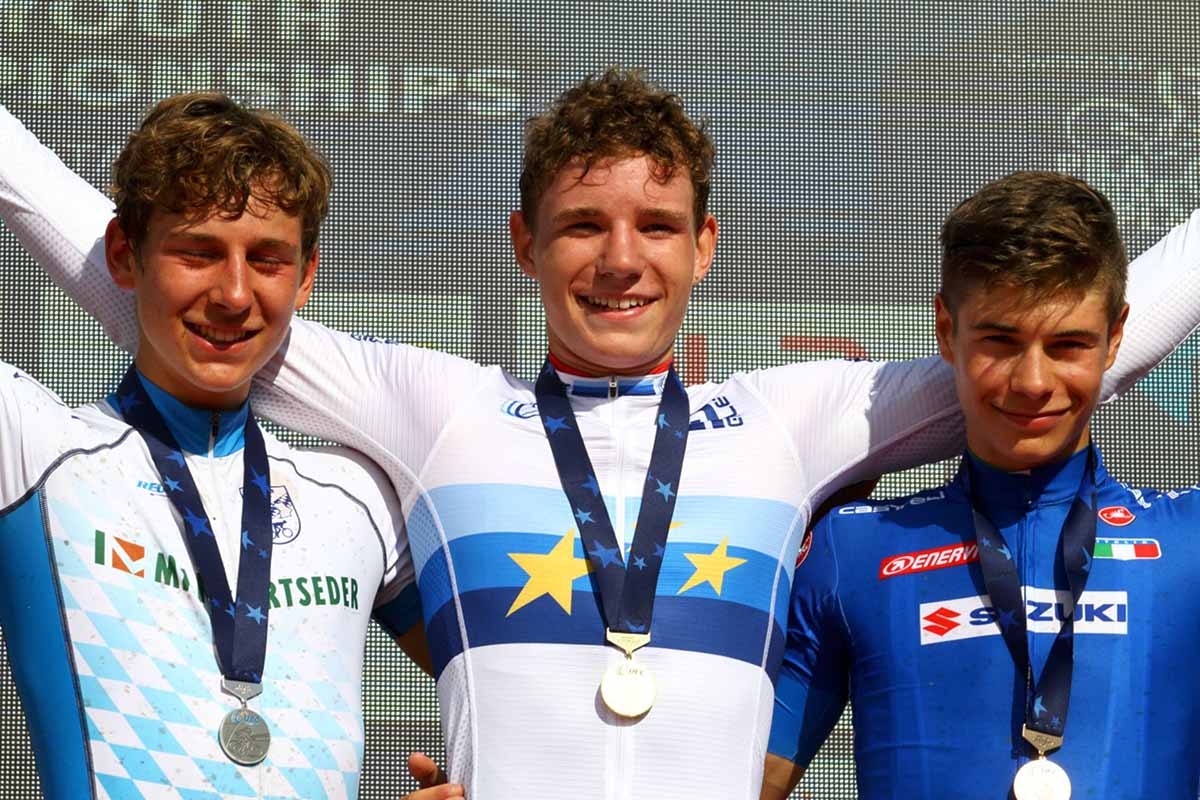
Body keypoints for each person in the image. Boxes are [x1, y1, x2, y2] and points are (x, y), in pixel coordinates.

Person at [3, 70, 1199, 797]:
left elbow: (1067, 347)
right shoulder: (436, 409)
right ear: (523, 243)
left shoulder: (792, 421)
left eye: (657, 226)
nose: (621, 259)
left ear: (706, 245)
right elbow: (182, 299)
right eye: (582, 224)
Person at [0, 92, 446, 799]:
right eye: (198, 252)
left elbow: (517, 684)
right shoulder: (32, 450)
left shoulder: (357, 496)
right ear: (123, 254)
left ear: (305, 276)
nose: (235, 294)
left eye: (267, 259)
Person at [762, 171, 1200, 800]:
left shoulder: (1189, 541)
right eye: (1001, 341)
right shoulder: (849, 549)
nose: (1033, 382)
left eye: (1068, 344)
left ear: (1116, 337)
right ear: (947, 330)